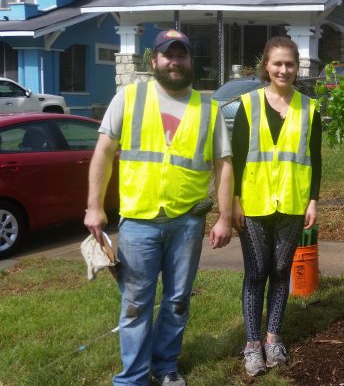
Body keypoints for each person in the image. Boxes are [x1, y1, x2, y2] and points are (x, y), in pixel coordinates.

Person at [85, 29, 233, 386]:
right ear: (154, 60)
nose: (175, 61)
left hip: (188, 222)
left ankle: (165, 366)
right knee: (135, 303)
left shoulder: (209, 108)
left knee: (178, 299)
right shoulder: (129, 98)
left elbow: (224, 164)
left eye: (181, 55)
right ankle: (133, 377)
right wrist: (94, 207)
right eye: (168, 55)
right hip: (138, 222)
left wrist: (225, 216)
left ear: (189, 61)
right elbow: (103, 153)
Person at [230, 36, 321, 377]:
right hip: (253, 204)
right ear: (266, 66)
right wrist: (235, 202)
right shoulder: (249, 104)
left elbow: (316, 159)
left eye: (290, 64)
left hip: (293, 203)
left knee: (281, 271)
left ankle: (273, 338)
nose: (284, 69)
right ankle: (252, 345)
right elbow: (238, 156)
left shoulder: (309, 108)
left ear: (297, 68)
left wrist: (313, 200)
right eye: (277, 63)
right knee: (256, 273)